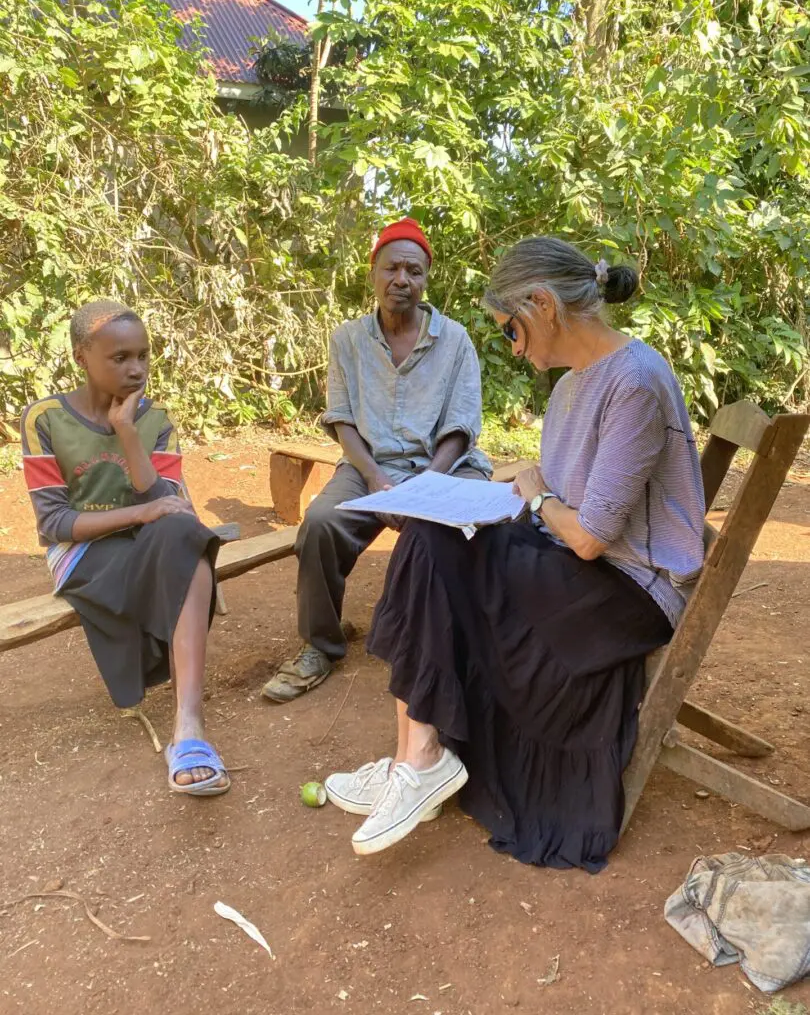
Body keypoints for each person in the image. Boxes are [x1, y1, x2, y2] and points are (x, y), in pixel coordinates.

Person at [325, 236, 706, 871]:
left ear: (542, 305)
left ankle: (419, 760)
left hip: (626, 590)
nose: (512, 345)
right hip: (581, 562)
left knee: (435, 545)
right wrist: (522, 493)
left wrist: (533, 496)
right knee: (431, 530)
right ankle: (412, 757)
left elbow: (588, 535)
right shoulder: (572, 386)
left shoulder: (635, 382)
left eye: (509, 330)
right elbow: (561, 501)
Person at [261, 218, 492, 704]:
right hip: (370, 468)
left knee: (465, 530)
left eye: (414, 271)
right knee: (321, 523)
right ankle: (320, 645)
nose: (401, 280)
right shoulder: (347, 340)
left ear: (426, 280)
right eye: (392, 268)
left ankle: (462, 647)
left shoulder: (454, 341)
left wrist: (421, 491)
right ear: (373, 272)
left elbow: (461, 427)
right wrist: (378, 481)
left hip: (443, 466)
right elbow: (342, 420)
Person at [21, 300, 229, 797]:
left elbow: (171, 508)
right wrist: (139, 514)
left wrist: (129, 434)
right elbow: (55, 522)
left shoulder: (154, 418)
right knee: (185, 552)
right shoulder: (46, 418)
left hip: (151, 541)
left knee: (185, 537)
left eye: (143, 355)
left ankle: (189, 727)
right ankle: (187, 723)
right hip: (82, 554)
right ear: (81, 356)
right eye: (119, 357)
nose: (135, 368)